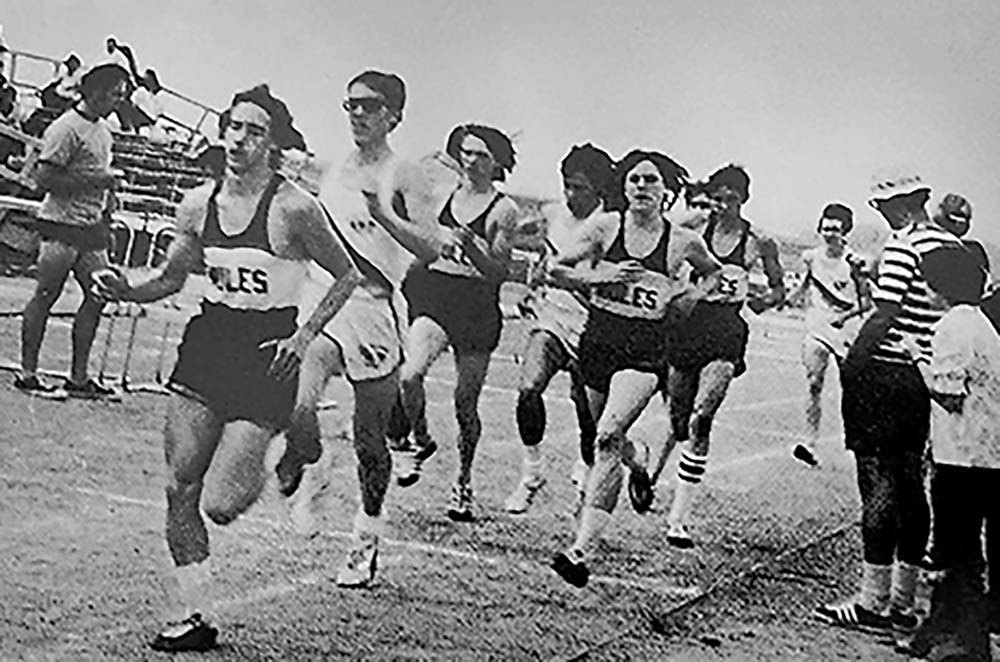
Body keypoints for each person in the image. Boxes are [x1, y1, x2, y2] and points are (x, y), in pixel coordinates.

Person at [94, 84, 361, 652]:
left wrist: (304, 336)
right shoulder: (197, 204)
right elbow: (171, 278)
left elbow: (347, 275)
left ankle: (291, 444)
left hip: (267, 352)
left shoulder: (294, 208)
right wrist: (126, 288)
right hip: (209, 345)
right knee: (179, 487)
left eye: (254, 131)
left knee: (221, 504)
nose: (239, 140)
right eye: (233, 127)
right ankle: (197, 614)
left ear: (273, 144)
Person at [273, 70, 443, 587]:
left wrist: (384, 216)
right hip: (327, 301)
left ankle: (365, 539)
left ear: (394, 114)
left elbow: (431, 248)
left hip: (375, 310)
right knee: (296, 401)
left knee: (370, 440)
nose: (358, 114)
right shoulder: (335, 169)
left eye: (370, 105)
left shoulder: (405, 174)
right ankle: (313, 460)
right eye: (351, 104)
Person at [550, 149, 722, 587]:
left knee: (607, 436)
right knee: (600, 435)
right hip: (599, 342)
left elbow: (713, 273)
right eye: (634, 179)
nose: (642, 186)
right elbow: (557, 269)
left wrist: (690, 297)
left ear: (666, 191)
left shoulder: (682, 241)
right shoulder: (605, 228)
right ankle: (638, 460)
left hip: (644, 351)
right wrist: (599, 278)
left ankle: (581, 551)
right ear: (623, 187)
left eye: (651, 179)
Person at [814, 169, 958, 631]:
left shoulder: (903, 246)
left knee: (877, 482)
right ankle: (903, 601)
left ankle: (873, 601)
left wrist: (854, 365)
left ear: (897, 205)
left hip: (888, 373)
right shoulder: (953, 246)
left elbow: (884, 314)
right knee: (912, 486)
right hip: (929, 375)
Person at [648, 164, 786, 549]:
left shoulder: (759, 241)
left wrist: (764, 300)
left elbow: (778, 289)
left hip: (726, 330)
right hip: (688, 327)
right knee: (679, 420)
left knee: (702, 417)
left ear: (744, 199)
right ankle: (652, 474)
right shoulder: (693, 227)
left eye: (731, 199)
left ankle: (678, 519)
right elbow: (660, 249)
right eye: (718, 198)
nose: (723, 206)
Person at [394, 123, 520, 521]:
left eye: (481, 155)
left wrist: (471, 247)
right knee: (410, 375)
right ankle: (421, 440)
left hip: (476, 305)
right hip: (436, 295)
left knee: (465, 403)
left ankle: (463, 481)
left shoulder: (504, 209)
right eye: (466, 152)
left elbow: (499, 272)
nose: (471, 161)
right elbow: (422, 242)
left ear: (496, 162)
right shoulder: (441, 196)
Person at [894, 246, 998, 660]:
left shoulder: (953, 325)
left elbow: (949, 394)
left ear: (941, 285)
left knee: (957, 553)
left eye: (926, 282)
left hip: (964, 456)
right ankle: (939, 633)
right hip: (987, 452)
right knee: (961, 551)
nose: (924, 290)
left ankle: (970, 645)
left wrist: (916, 356)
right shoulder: (979, 321)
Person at [503, 143, 616, 515]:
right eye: (566, 184)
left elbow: (609, 281)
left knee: (587, 417)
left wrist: (574, 280)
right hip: (551, 317)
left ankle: (585, 478)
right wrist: (533, 282)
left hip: (591, 325)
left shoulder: (610, 225)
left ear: (598, 189)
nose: (570, 194)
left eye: (579, 188)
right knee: (528, 389)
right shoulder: (553, 213)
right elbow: (533, 246)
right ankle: (532, 474)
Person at [14, 63, 132, 399]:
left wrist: (106, 214)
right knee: (46, 295)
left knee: (98, 297)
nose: (119, 101)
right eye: (115, 94)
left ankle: (79, 379)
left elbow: (101, 179)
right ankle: (28, 373)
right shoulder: (65, 128)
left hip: (90, 228)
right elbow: (44, 179)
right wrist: (100, 180)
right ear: (96, 91)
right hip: (60, 225)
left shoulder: (104, 130)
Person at [789, 203, 871, 467]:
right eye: (825, 228)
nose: (829, 234)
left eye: (835, 229)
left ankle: (855, 443)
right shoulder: (810, 257)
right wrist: (784, 297)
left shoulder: (854, 262)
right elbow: (803, 286)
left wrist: (843, 318)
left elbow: (866, 302)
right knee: (813, 384)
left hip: (846, 331)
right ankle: (809, 443)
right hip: (816, 328)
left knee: (851, 388)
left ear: (845, 231)